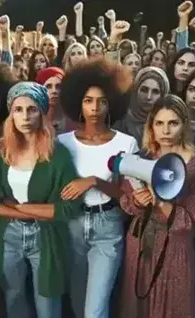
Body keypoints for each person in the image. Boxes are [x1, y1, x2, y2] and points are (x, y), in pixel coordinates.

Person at [0, 82, 82, 318]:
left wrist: (10, 203)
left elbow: (68, 208)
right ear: (11, 114)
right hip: (9, 236)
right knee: (13, 299)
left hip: (46, 237)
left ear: (42, 113)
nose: (25, 116)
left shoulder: (57, 154)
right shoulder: (0, 152)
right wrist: (32, 210)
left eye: (32, 109)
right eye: (18, 109)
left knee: (47, 302)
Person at [118, 94, 195, 317]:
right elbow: (125, 198)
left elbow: (193, 220)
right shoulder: (144, 157)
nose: (166, 131)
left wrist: (161, 200)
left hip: (174, 249)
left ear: (184, 126)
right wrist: (137, 201)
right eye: (159, 123)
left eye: (173, 123)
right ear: (151, 126)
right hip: (141, 242)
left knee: (172, 305)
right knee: (137, 305)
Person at [57, 60, 138, 318]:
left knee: (95, 310)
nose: (95, 108)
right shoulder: (62, 143)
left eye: (101, 101)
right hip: (72, 225)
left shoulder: (126, 143)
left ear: (111, 103)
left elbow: (129, 196)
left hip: (108, 226)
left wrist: (95, 181)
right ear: (78, 104)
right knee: (79, 305)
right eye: (88, 100)